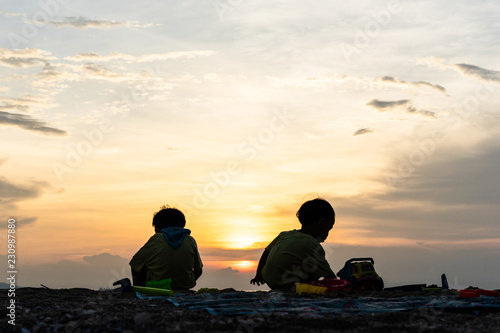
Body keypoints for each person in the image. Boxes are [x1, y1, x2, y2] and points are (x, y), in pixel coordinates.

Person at [250, 198, 336, 290]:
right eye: (328, 229)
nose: (327, 235)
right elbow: (330, 277)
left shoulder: (284, 235)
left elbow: (266, 252)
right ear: (321, 223)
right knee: (312, 266)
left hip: (271, 281)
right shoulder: (312, 244)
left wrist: (259, 275)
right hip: (290, 284)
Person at [129, 205, 203, 289]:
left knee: (141, 264)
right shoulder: (190, 240)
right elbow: (198, 270)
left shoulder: (157, 238)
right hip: (184, 287)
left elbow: (134, 264)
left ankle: (142, 289)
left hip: (158, 287)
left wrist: (137, 284)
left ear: (157, 228)